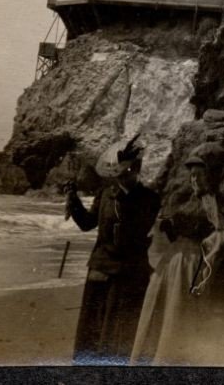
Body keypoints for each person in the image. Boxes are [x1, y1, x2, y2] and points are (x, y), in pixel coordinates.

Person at [130, 142, 224, 366]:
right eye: (191, 175)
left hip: (209, 273)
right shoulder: (182, 202)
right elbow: (169, 233)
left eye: (200, 174)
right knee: (172, 321)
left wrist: (222, 232)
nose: (194, 179)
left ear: (215, 174)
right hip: (177, 270)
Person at [66, 134, 161, 365]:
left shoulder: (149, 198)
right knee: (92, 326)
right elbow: (88, 224)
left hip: (129, 271)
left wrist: (122, 205)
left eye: (128, 172)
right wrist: (73, 200)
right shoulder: (105, 194)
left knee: (119, 329)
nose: (123, 177)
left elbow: (134, 234)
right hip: (99, 268)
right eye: (121, 172)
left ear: (137, 169)